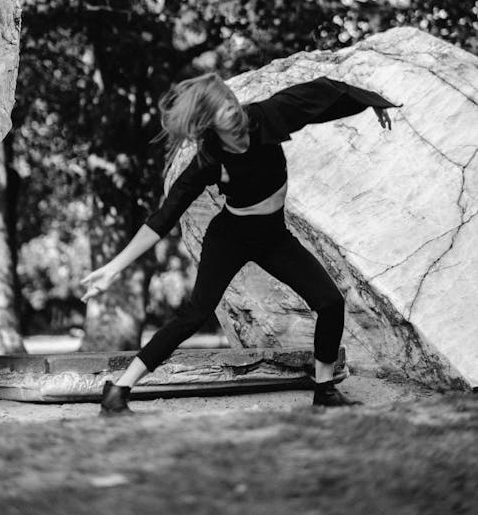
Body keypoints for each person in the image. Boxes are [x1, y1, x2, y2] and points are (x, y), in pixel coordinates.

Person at [81, 72, 401, 415]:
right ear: (207, 121)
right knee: (194, 315)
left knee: (329, 302)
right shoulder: (209, 161)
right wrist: (113, 268)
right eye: (220, 109)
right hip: (230, 237)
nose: (232, 110)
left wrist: (370, 102)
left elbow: (321, 96)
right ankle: (118, 390)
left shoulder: (267, 116)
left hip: (274, 237)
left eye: (230, 100)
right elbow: (164, 217)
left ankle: (324, 391)